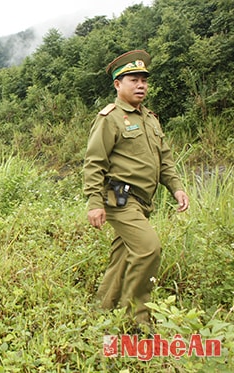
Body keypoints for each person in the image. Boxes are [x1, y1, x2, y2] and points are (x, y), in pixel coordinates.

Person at [83, 50, 190, 326]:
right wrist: (94, 203)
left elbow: (164, 159)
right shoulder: (110, 118)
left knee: (123, 254)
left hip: (143, 200)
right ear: (118, 84)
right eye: (133, 79)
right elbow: (94, 163)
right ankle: (136, 318)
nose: (141, 85)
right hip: (120, 198)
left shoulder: (150, 118)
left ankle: (103, 307)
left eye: (144, 79)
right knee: (148, 248)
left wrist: (176, 188)